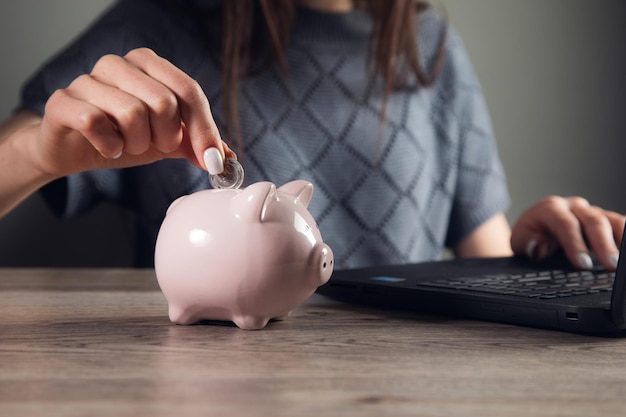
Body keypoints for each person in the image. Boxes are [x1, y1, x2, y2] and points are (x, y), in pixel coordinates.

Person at [0, 0, 623, 270]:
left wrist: (535, 255)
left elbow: (481, 260)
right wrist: (36, 154)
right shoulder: (156, 28)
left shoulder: (429, 50)